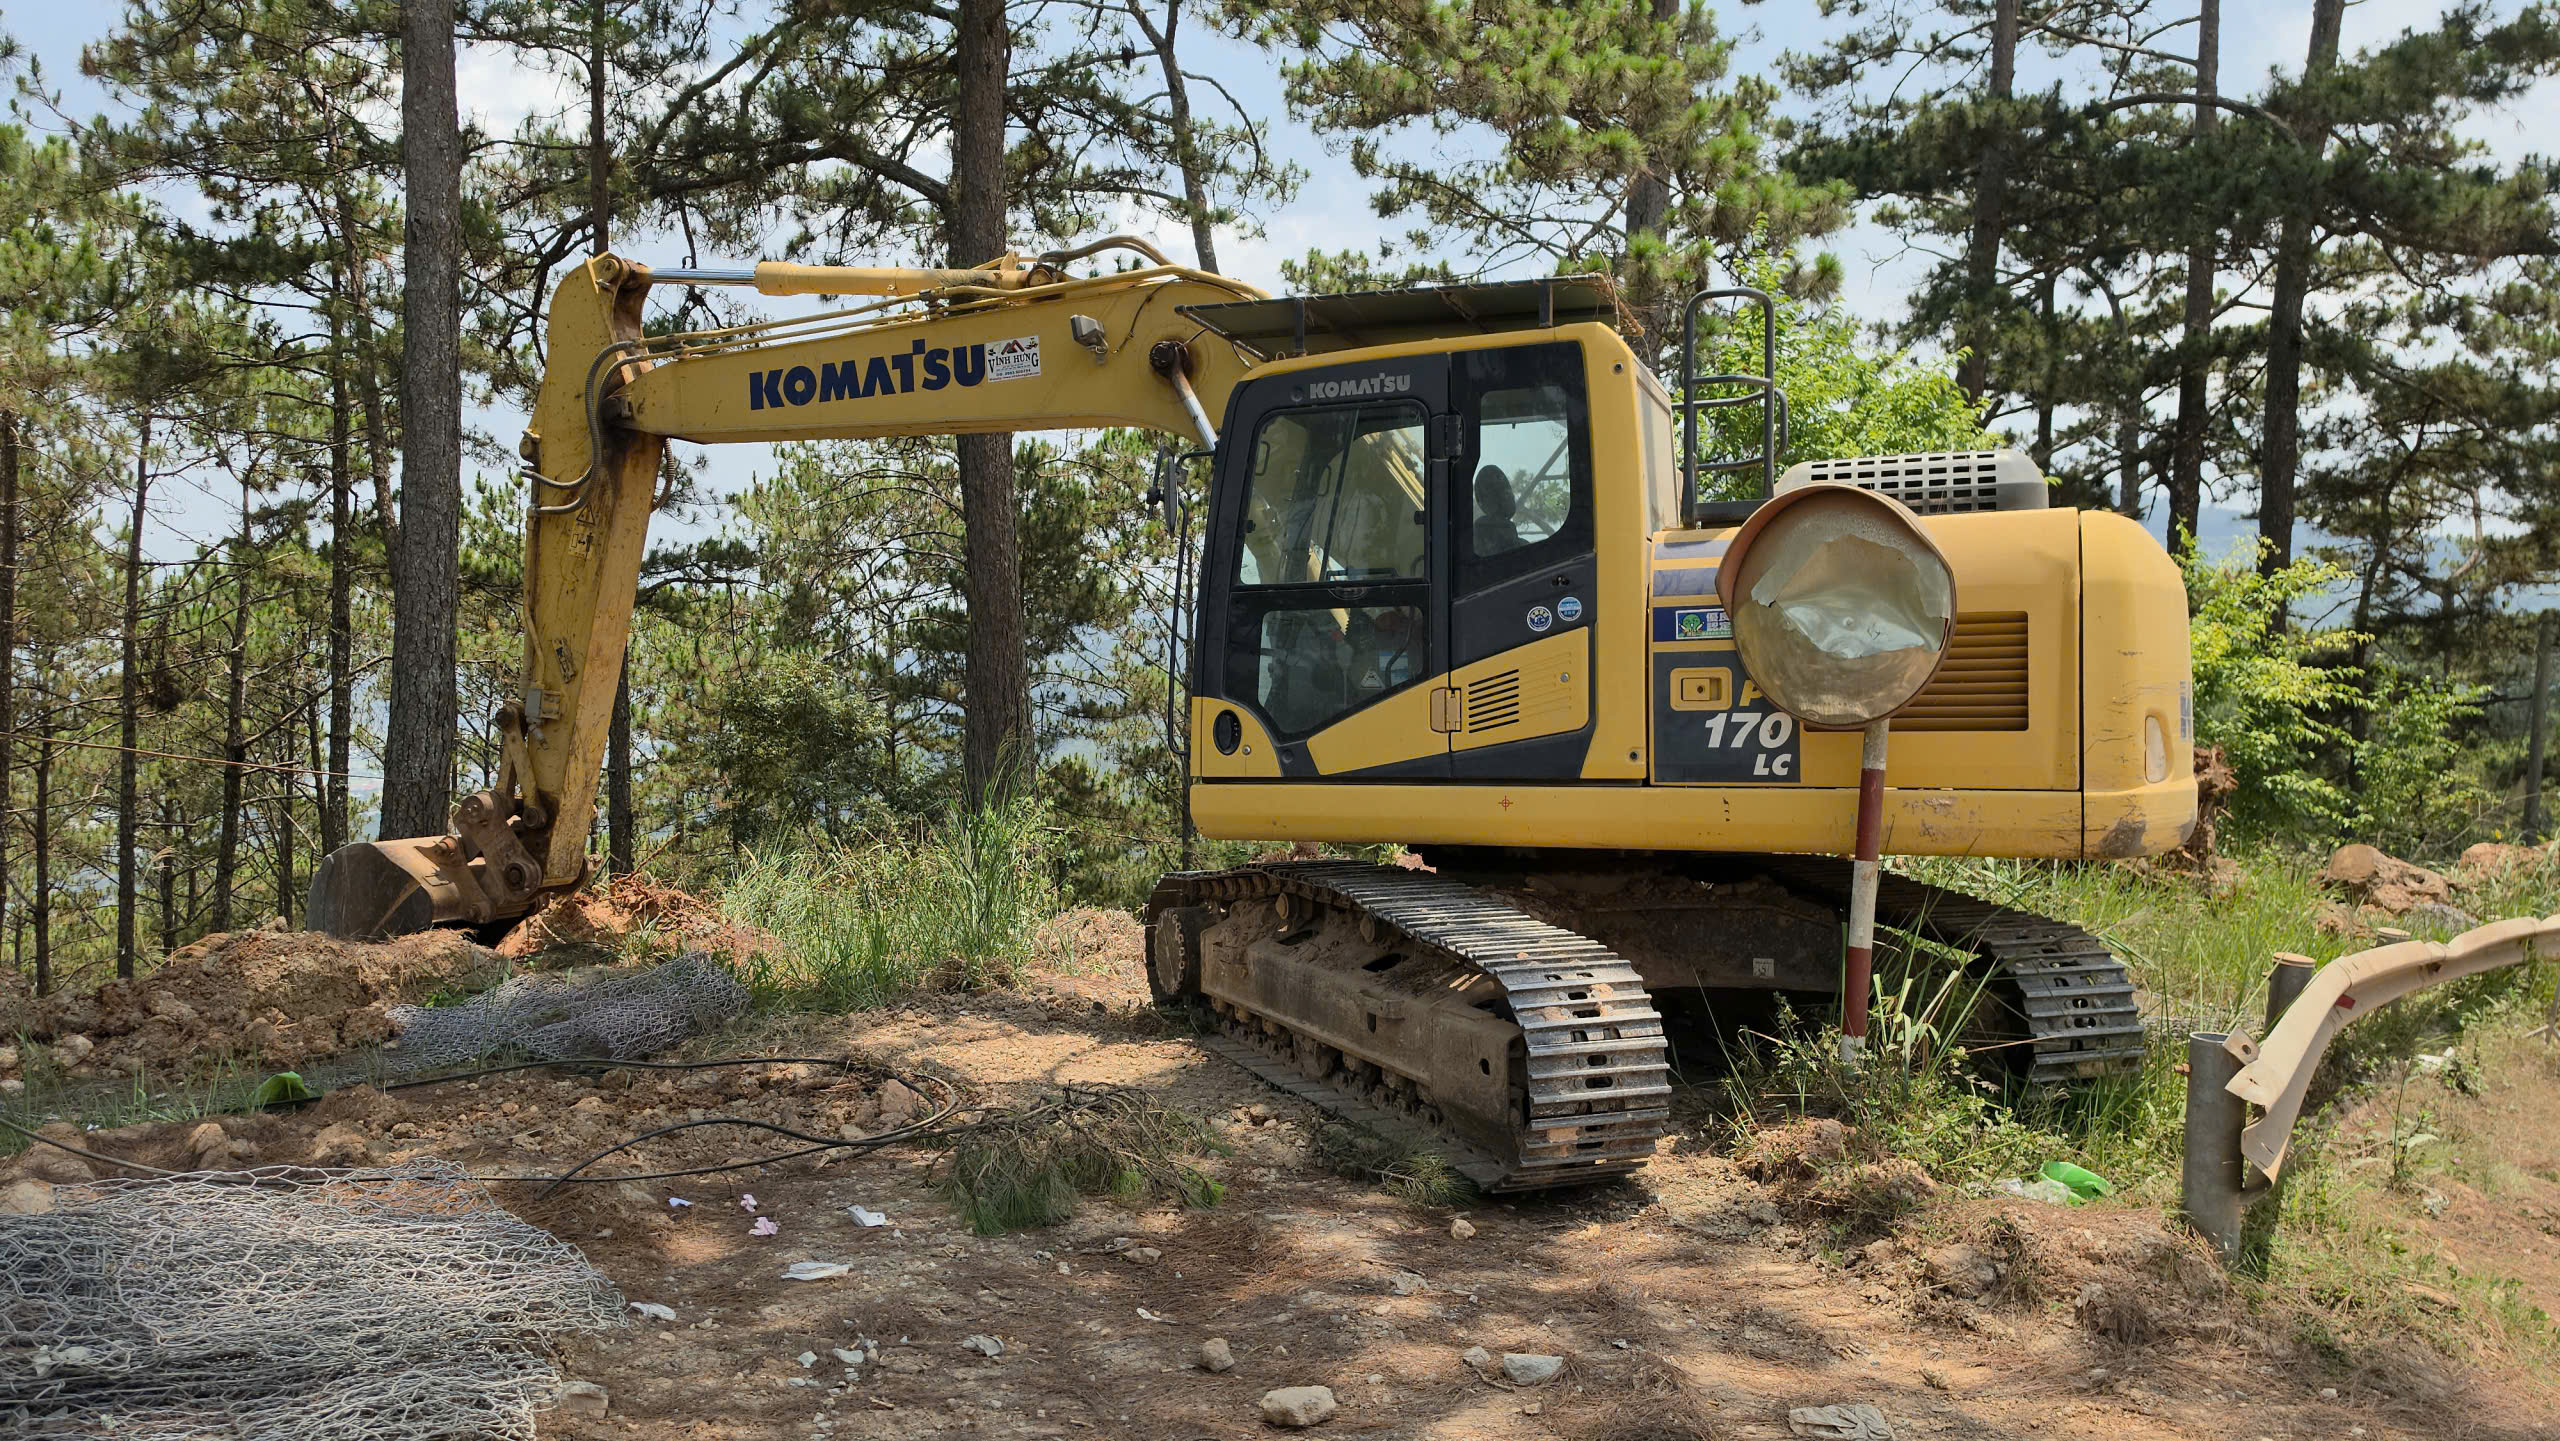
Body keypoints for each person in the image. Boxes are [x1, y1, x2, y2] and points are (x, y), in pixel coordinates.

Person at [1473, 465, 1523, 556]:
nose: (1508, 493)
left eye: (1507, 487)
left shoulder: (1521, 544)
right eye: (1500, 488)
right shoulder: (1481, 535)